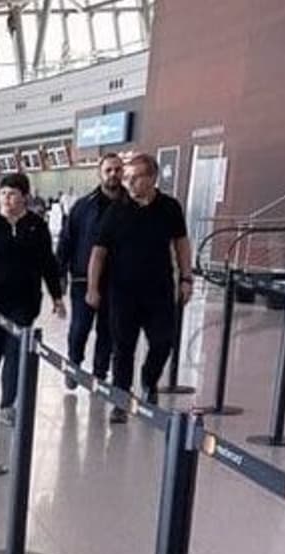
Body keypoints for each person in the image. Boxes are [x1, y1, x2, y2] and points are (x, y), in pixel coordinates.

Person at [86, 152, 192, 424]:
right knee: (123, 348)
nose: (129, 183)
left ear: (153, 179)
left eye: (135, 178)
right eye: (127, 177)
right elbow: (99, 252)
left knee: (163, 342)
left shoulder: (170, 208)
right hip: (122, 292)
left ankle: (149, 378)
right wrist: (93, 288)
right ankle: (121, 399)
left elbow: (181, 243)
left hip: (158, 290)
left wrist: (186, 278)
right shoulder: (116, 210)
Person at [0, 173, 66, 425]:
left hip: (23, 302)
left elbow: (47, 263)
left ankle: (8, 404)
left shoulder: (36, 226)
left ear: (24, 197)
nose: (6, 199)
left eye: (12, 194)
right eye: (2, 194)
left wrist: (57, 296)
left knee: (15, 353)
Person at [56, 153, 123, 390]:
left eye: (117, 169)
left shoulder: (128, 206)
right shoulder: (83, 206)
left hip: (116, 281)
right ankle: (74, 365)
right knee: (80, 328)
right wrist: (60, 274)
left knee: (108, 330)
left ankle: (100, 374)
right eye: (109, 170)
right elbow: (66, 241)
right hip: (83, 279)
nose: (113, 174)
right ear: (100, 173)